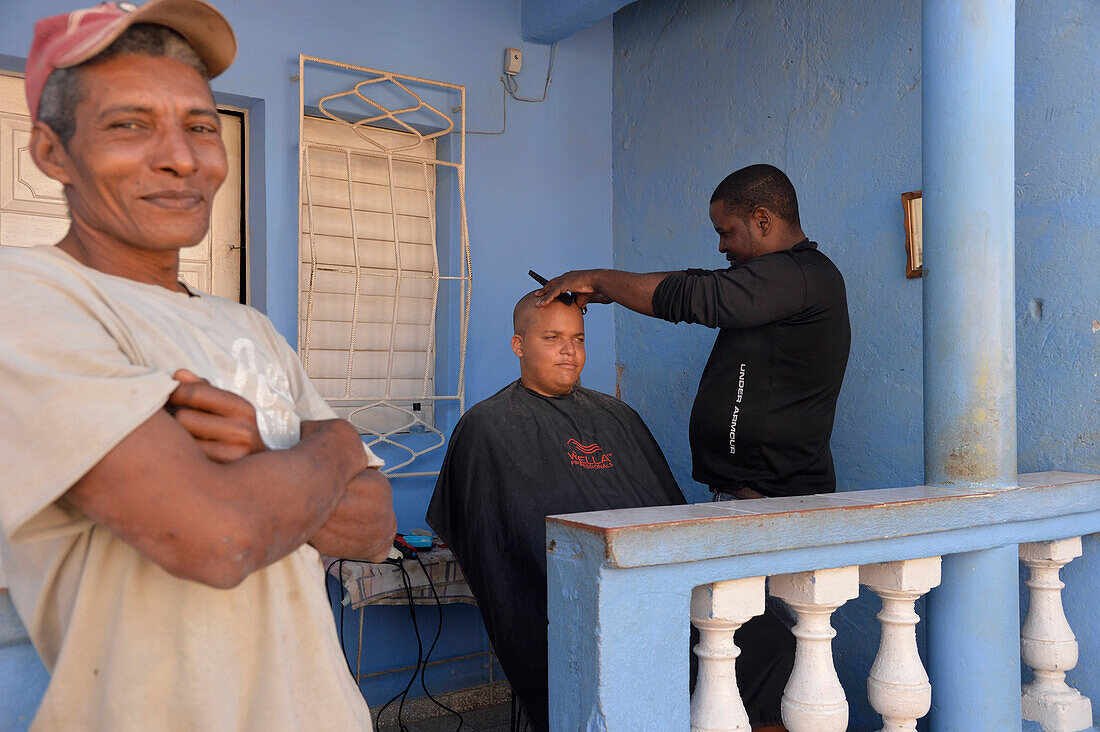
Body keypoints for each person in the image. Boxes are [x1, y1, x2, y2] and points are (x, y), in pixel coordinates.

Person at [0, 1, 396, 728]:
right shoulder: (25, 297)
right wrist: (333, 445)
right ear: (53, 153)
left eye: (201, 126)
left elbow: (374, 529)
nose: (181, 157)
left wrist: (258, 463)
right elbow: (214, 538)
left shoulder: (248, 327)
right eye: (129, 124)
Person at [426, 292, 686, 732]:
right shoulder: (487, 426)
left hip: (656, 593)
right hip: (560, 604)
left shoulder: (618, 416)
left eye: (578, 338)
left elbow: (671, 516)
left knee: (760, 649)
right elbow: (494, 545)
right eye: (552, 337)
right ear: (518, 345)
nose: (570, 350)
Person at [536, 164, 850, 500]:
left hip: (773, 501)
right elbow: (698, 282)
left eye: (725, 232)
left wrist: (598, 279)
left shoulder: (799, 276)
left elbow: (698, 295)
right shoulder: (780, 280)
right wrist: (613, 291)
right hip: (750, 498)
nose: (720, 246)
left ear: (763, 220)